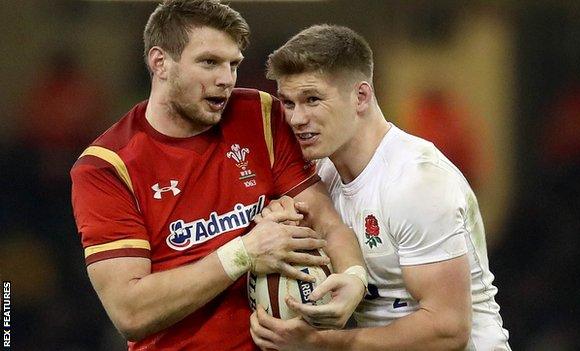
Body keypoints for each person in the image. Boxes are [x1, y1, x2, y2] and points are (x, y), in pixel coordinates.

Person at [70, 3, 367, 350]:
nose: (226, 79)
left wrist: (353, 278)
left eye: (233, 64)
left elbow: (326, 222)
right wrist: (244, 251)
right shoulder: (106, 167)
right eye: (209, 62)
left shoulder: (259, 115)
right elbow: (130, 312)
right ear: (160, 62)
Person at [250, 24, 511, 350]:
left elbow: (447, 329)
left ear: (360, 96)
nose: (296, 118)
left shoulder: (416, 181)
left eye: (312, 99)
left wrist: (323, 344)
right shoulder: (322, 177)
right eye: (288, 103)